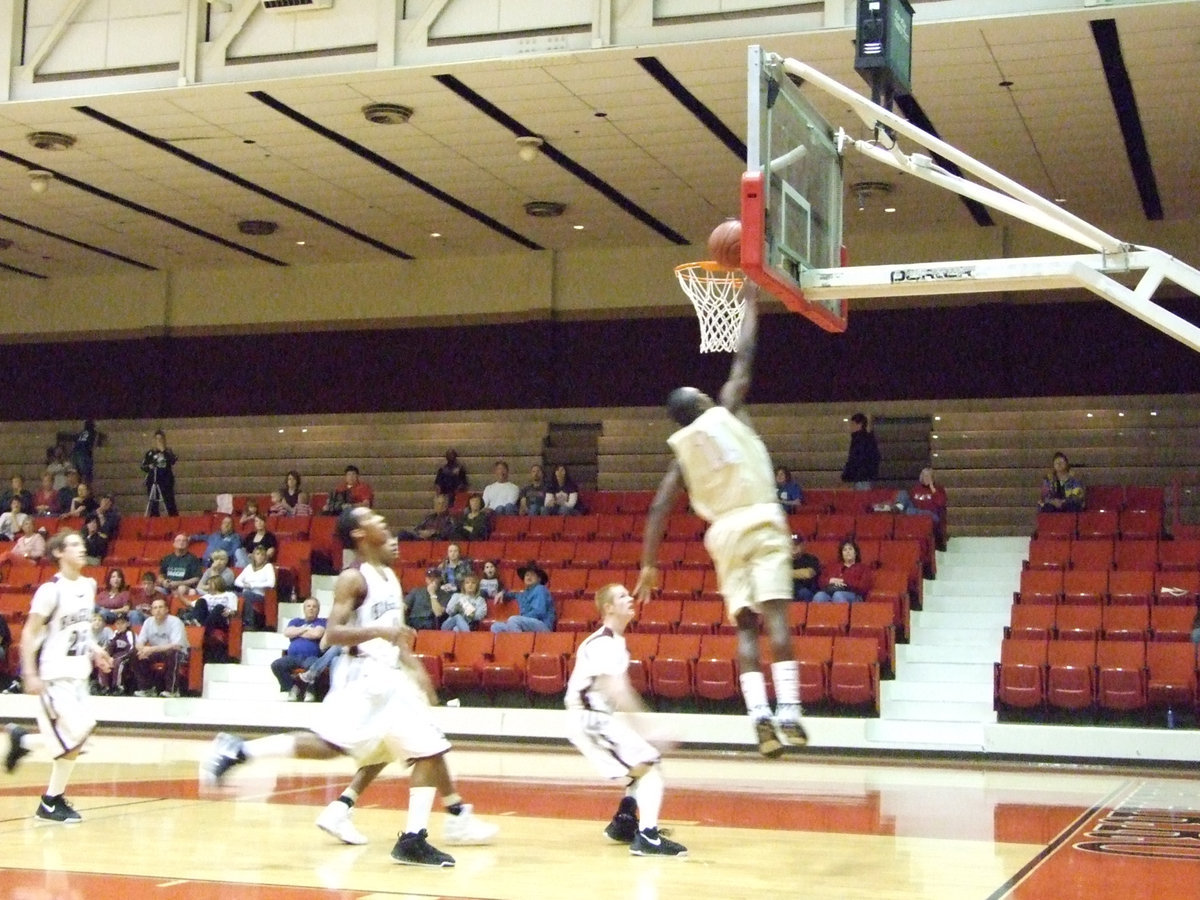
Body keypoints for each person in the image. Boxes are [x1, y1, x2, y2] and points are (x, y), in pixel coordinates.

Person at [201, 505, 497, 866]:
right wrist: (380, 633)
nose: (382, 521)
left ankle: (415, 836)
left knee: (425, 747)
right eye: (373, 519)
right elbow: (332, 634)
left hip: (387, 675)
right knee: (332, 747)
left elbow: (395, 634)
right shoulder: (352, 578)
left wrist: (413, 666)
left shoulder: (388, 575)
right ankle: (241, 751)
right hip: (363, 678)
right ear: (358, 534)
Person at [634, 284, 807, 758]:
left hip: (723, 534)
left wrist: (649, 565)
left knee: (745, 630)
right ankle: (790, 712)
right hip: (762, 519)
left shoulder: (683, 453)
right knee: (777, 619)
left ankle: (759, 720)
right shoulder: (725, 409)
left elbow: (659, 507)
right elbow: (745, 358)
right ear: (701, 404)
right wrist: (751, 303)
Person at [566, 583, 687, 857]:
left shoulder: (614, 642)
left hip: (594, 718)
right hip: (590, 719)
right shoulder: (604, 643)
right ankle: (648, 837)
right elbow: (618, 690)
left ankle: (625, 821)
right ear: (608, 607)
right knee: (651, 762)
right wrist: (650, 728)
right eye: (622, 596)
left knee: (641, 763)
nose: (630, 598)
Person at [2, 529, 113, 822]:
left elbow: (80, 630)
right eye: (74, 544)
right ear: (59, 553)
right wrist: (29, 672)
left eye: (82, 543)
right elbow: (29, 632)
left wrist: (95, 649)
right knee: (81, 730)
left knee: (77, 740)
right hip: (54, 677)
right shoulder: (50, 590)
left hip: (79, 676)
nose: (82, 548)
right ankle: (50, 798)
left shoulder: (89, 585)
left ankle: (45, 788)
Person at [270, 597, 327, 702]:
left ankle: (310, 691)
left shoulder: (322, 621)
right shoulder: (296, 621)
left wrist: (297, 633)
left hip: (311, 657)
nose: (311, 609)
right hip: (293, 657)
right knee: (276, 665)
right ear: (304, 609)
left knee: (314, 666)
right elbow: (287, 632)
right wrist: (306, 629)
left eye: (314, 606)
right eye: (308, 606)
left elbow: (317, 634)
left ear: (318, 610)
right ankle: (291, 688)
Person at [132, 597, 187, 697]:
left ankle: (172, 690)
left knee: (173, 654)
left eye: (161, 607)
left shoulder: (175, 622)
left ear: (167, 609)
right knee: (135, 654)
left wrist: (151, 649)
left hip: (178, 652)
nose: (158, 610)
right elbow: (139, 642)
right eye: (155, 608)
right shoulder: (148, 622)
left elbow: (176, 645)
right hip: (157, 652)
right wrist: (142, 650)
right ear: (152, 611)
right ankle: (147, 688)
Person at [490, 563, 554, 633]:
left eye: (532, 575)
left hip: (542, 625)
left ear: (539, 579)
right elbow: (512, 594)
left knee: (514, 620)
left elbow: (539, 612)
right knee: (496, 627)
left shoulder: (540, 589)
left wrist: (522, 618)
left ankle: (520, 643)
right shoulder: (522, 594)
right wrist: (502, 593)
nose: (529, 577)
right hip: (525, 624)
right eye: (527, 575)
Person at [812, 539, 873, 604]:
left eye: (850, 549)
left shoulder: (863, 568)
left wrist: (844, 582)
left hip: (854, 595)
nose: (847, 552)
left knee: (838, 595)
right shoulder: (833, 566)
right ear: (842, 554)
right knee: (819, 596)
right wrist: (830, 580)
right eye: (845, 550)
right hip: (832, 592)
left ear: (855, 552)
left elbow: (863, 587)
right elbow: (821, 581)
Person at [235, 545, 276, 630]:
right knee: (232, 594)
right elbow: (237, 581)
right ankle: (233, 621)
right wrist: (245, 585)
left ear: (265, 556)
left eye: (262, 554)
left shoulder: (268, 567)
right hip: (246, 592)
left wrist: (252, 585)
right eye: (257, 554)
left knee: (246, 594)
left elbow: (271, 583)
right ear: (253, 556)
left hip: (260, 595)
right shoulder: (249, 567)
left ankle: (249, 623)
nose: (260, 556)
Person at [141, 429, 178, 517]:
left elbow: (173, 460)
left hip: (166, 480)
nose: (159, 441)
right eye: (157, 439)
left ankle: (174, 520)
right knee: (153, 503)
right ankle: (154, 520)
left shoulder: (168, 451)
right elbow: (143, 466)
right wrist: (149, 466)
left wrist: (163, 451)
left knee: (169, 502)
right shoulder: (150, 453)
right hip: (153, 480)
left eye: (161, 439)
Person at [98, 613, 136, 696]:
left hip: (126, 657)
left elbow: (132, 649)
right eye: (117, 623)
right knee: (103, 661)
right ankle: (104, 686)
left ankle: (118, 686)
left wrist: (116, 658)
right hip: (114, 656)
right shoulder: (115, 633)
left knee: (118, 662)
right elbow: (110, 647)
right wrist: (108, 657)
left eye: (122, 623)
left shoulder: (129, 633)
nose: (120, 626)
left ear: (127, 624)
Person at [158, 534, 204, 599]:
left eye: (184, 541)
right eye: (178, 540)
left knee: (181, 588)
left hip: (184, 588)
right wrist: (163, 582)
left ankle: (176, 607)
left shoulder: (193, 559)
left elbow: (196, 578)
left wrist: (178, 583)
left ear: (187, 544)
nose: (181, 542)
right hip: (168, 588)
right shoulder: (167, 558)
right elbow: (161, 575)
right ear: (173, 544)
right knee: (154, 589)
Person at [841, 413, 880, 490]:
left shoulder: (859, 440)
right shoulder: (867, 439)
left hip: (861, 477)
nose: (851, 427)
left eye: (853, 424)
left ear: (859, 425)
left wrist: (847, 475)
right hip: (865, 476)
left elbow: (855, 459)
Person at [791, 537, 821, 602]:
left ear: (802, 545)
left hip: (806, 590)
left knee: (803, 592)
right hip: (787, 591)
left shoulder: (810, 559)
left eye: (796, 544)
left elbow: (808, 573)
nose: (793, 547)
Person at [70, 420, 97, 485]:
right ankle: (86, 488)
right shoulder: (91, 433)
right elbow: (91, 445)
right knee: (87, 474)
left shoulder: (81, 433)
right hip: (83, 455)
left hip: (75, 454)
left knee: (79, 474)